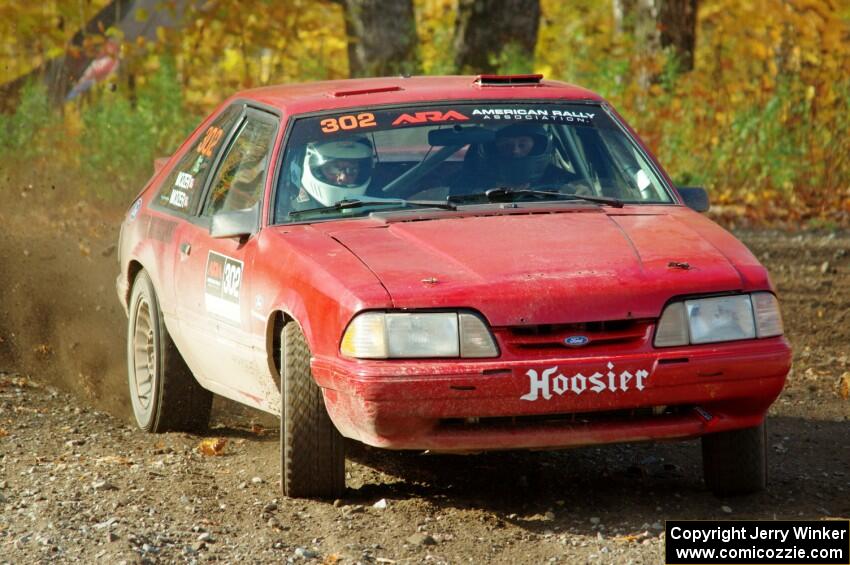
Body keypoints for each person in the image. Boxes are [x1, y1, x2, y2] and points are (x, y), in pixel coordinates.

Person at [452, 123, 574, 194]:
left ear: (537, 146)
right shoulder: (471, 180)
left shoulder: (561, 180)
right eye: (506, 145)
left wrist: (579, 191)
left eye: (522, 145)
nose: (515, 151)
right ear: (494, 148)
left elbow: (585, 193)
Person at [293, 136, 374, 208]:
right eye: (334, 169)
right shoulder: (294, 209)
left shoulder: (377, 201)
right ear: (318, 171)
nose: (343, 177)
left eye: (352, 170)